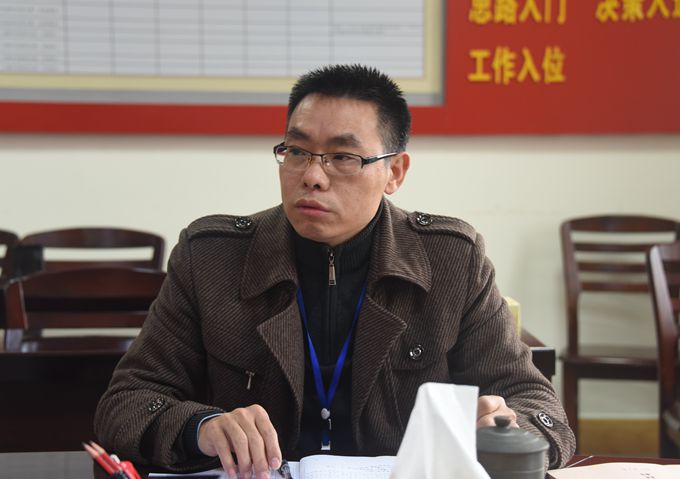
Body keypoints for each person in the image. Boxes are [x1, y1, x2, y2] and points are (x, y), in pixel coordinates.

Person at [94, 64, 575, 477]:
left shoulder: (451, 260)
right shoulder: (212, 258)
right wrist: (202, 427)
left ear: (394, 172)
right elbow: (126, 401)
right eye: (296, 151)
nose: (312, 175)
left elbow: (538, 406)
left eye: (343, 157)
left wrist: (507, 429)